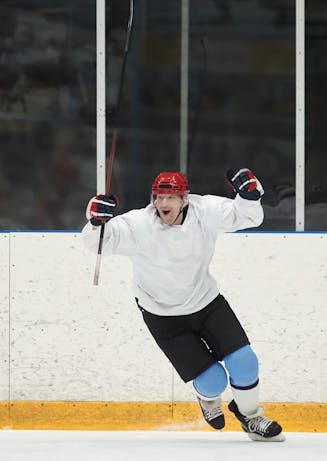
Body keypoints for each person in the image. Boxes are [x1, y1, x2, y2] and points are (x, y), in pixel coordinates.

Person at [81, 169, 284, 442]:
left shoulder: (205, 210)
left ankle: (250, 417)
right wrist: (95, 222)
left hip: (207, 303)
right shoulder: (139, 224)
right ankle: (208, 399)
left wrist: (247, 196)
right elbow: (97, 243)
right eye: (159, 197)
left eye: (171, 197)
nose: (163, 204)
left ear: (185, 199)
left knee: (245, 362)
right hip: (163, 316)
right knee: (214, 381)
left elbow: (247, 216)